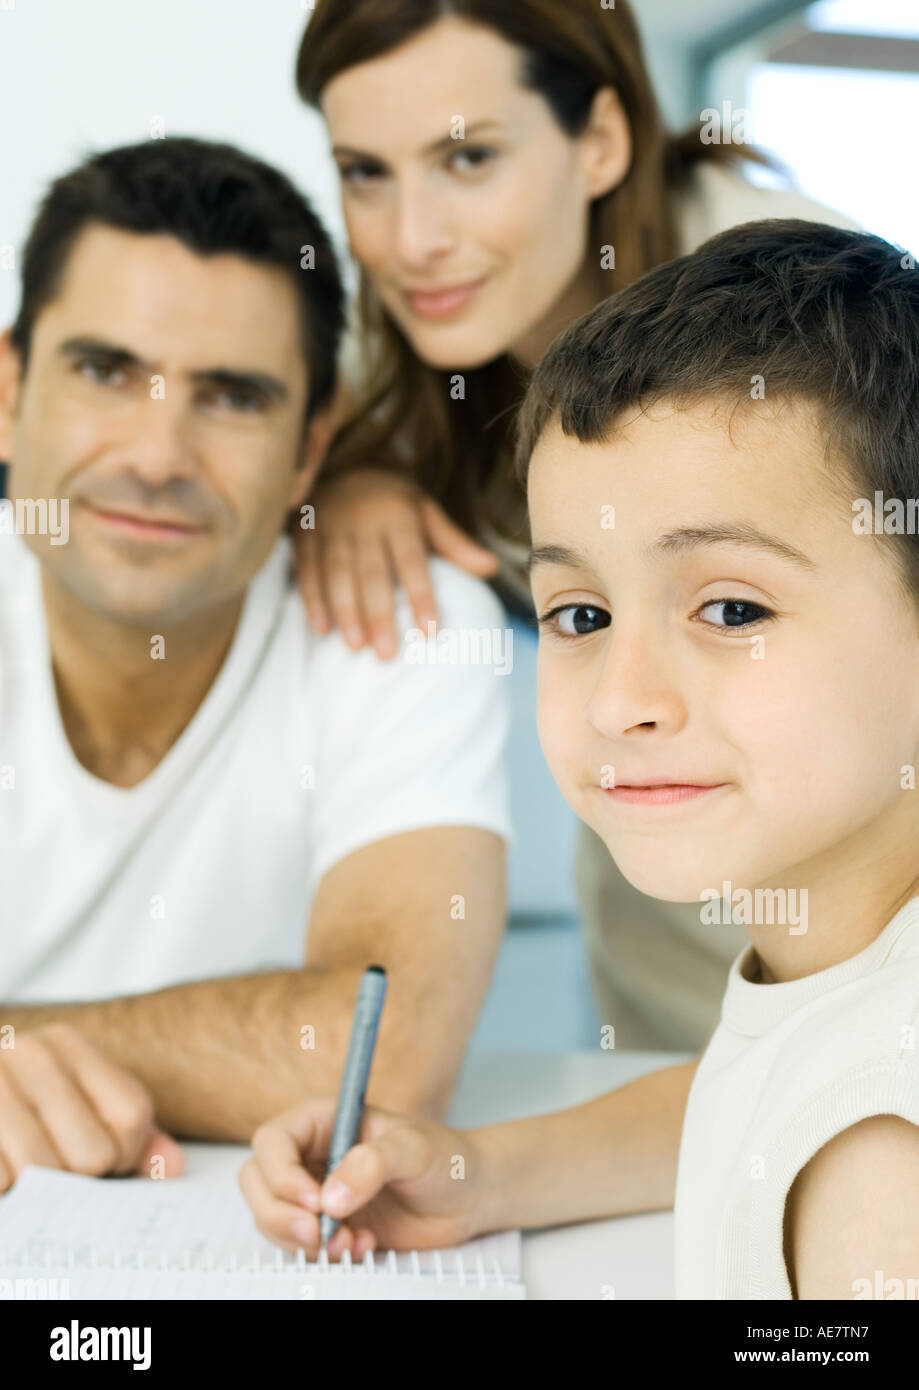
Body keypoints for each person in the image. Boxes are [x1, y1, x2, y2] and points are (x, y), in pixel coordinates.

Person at [240, 220, 919, 1299]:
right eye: (580, 612)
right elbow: (757, 1087)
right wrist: (479, 1172)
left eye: (730, 605)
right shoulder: (847, 988)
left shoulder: (875, 1170)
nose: (619, 699)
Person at [287, 0, 861, 1049]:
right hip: (664, 928)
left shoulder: (792, 310)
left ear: (599, 139)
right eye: (366, 170)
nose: (411, 238)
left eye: (467, 159)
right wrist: (358, 479)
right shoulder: (422, 333)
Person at [0, 137, 511, 1191]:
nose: (155, 456)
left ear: (311, 449)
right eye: (105, 370)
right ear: (8, 390)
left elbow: (389, 1058)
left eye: (232, 396)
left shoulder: (405, 618)